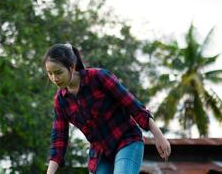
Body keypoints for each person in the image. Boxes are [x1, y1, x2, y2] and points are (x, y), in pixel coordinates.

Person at [43, 44, 171, 174]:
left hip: (127, 141)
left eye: (58, 72)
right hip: (100, 155)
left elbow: (133, 105)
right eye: (50, 73)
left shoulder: (99, 77)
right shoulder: (60, 101)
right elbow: (59, 139)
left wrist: (158, 136)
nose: (54, 78)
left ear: (71, 67)